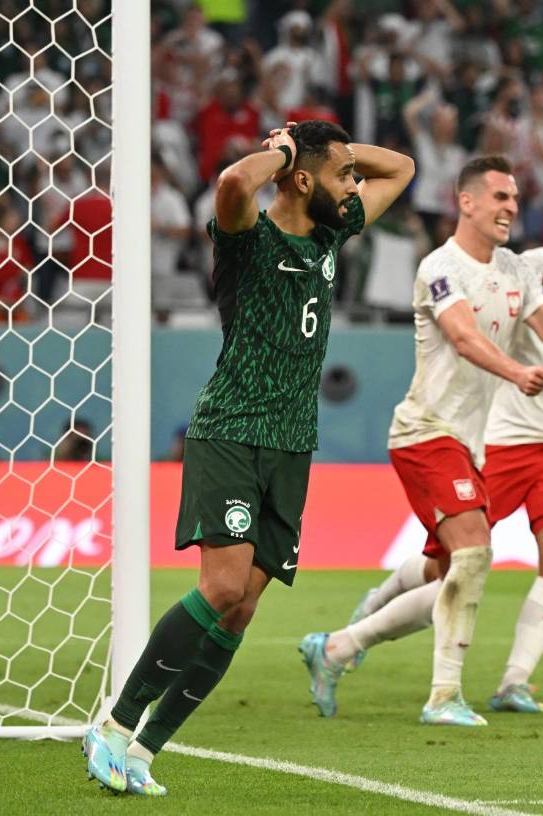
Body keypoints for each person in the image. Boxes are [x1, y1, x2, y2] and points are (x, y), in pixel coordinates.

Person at [81, 120, 415, 795]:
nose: (355, 186)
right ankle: (114, 725)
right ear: (300, 179)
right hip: (232, 428)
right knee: (223, 586)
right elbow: (235, 181)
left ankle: (144, 751)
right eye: (343, 176)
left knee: (242, 609)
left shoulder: (333, 232)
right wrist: (287, 152)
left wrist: (333, 152)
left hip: (292, 445)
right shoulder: (247, 238)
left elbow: (402, 168)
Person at [299, 159, 543, 727]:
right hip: (426, 431)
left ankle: (339, 648)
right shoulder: (441, 267)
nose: (511, 207)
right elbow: (463, 336)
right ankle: (441, 695)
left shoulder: (514, 268)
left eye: (514, 198)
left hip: (472, 444)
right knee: (467, 556)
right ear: (466, 202)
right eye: (500, 197)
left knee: (466, 566)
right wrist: (517, 373)